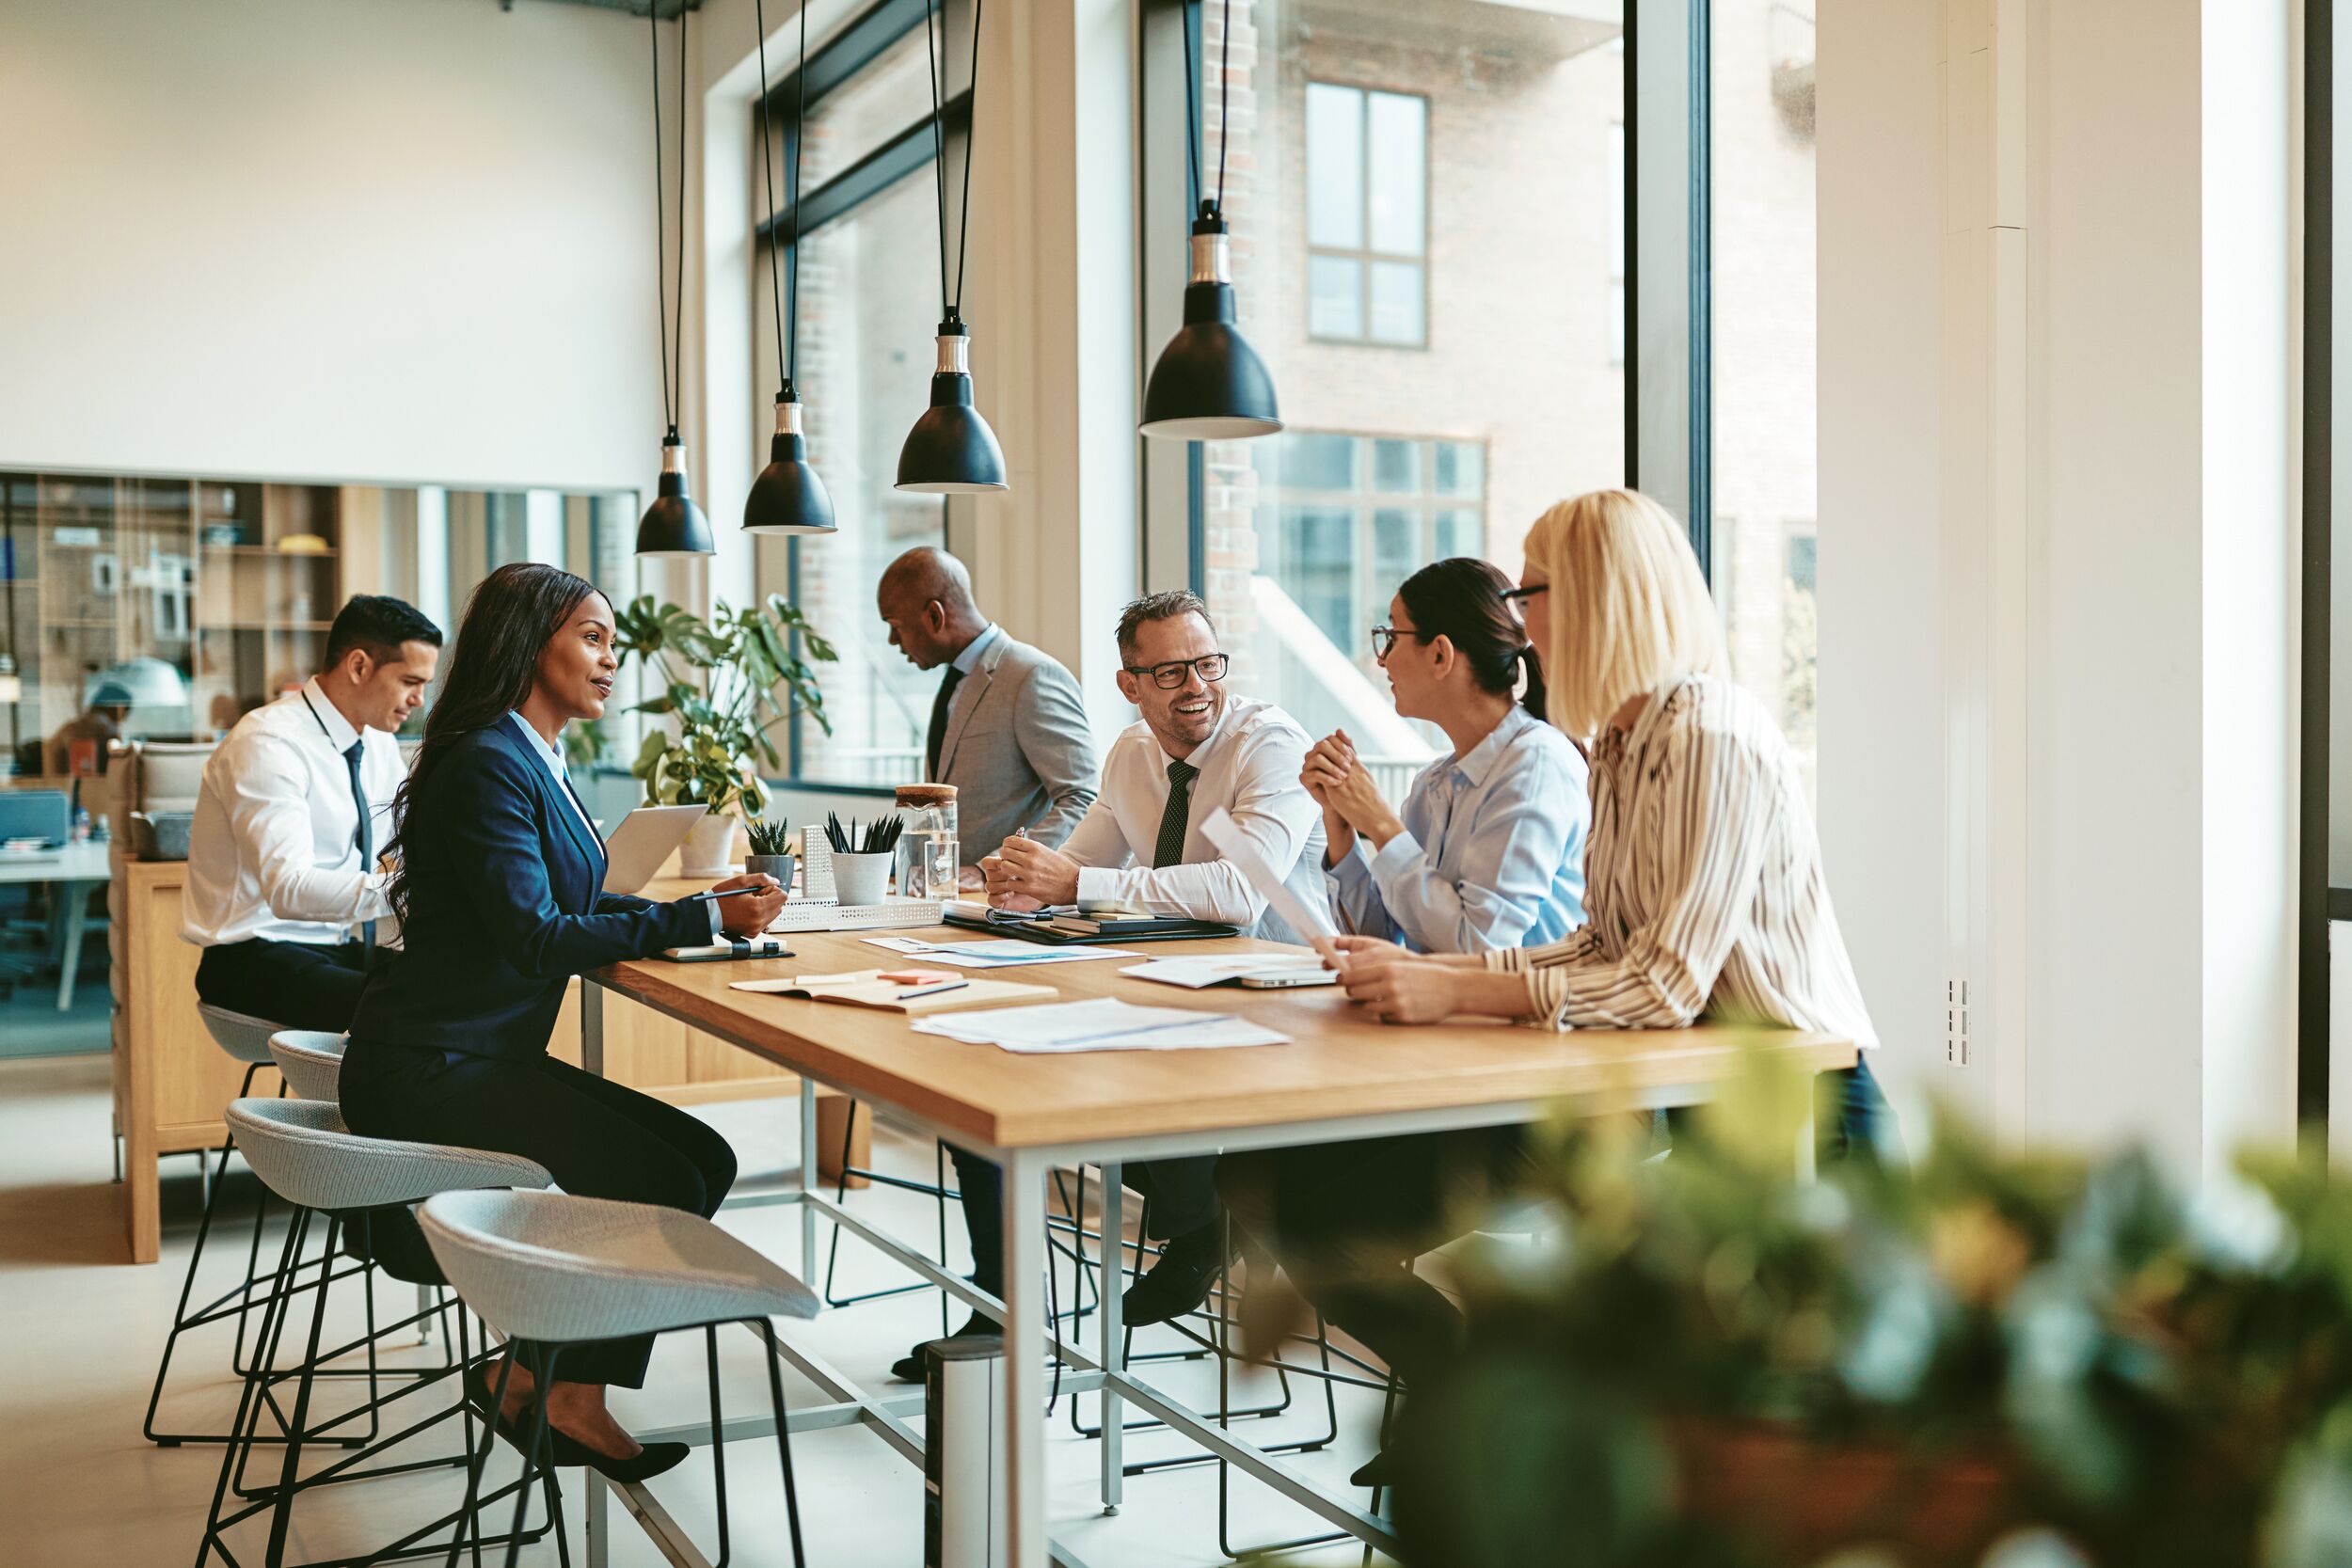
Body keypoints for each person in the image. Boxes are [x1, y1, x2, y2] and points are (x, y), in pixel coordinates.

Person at [1222, 490, 1897, 1483]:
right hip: (1699, 1093)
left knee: (1802, 1449)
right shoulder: (1624, 743)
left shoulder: (1705, 734)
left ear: (1595, 596)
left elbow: (1661, 981)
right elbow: (1595, 943)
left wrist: (1452, 987)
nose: (1520, 621)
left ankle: (1471, 1428)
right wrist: (1436, 973)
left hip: (1799, 1112)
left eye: (1532, 589)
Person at [339, 563, 785, 1483]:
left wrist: (699, 904)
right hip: (430, 1065)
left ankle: (529, 1370)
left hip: (476, 1050)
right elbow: (537, 933)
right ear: (527, 641)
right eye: (591, 634)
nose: (610, 657)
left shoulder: (530, 752)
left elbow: (563, 902)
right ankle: (567, 1390)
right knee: (663, 1173)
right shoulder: (487, 761)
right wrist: (702, 920)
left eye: (612, 640)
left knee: (704, 1159)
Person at [881, 592, 1327, 1382]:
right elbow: (1077, 865)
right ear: (1130, 684)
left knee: (1112, 1061)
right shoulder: (1131, 753)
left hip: (1282, 993)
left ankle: (1201, 1225)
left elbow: (1238, 894)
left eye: (1207, 663)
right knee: (997, 1061)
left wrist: (1075, 880)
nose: (1196, 685)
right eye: (1170, 671)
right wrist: (1021, 883)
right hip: (1177, 980)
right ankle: (1052, 1284)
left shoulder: (1269, 745)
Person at [1304, 557, 1588, 956]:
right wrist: (1340, 821)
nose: (1383, 658)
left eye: (1392, 636)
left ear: (1440, 654)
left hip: (1524, 1016)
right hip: (1445, 1014)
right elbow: (1380, 941)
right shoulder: (1433, 783)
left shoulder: (1535, 765)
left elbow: (1481, 950)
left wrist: (1380, 822)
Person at [183, 594, 442, 1029]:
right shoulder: (268, 743)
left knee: (460, 989)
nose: (419, 699)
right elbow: (289, 889)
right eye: (410, 682)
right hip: (251, 955)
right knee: (410, 1012)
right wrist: (412, 889)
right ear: (359, 667)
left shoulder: (377, 742)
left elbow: (410, 837)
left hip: (335, 947)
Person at [877, 546, 1098, 865]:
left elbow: (1083, 798)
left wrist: (994, 868)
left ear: (934, 616)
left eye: (895, 625)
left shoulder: (1032, 676)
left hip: (1002, 903)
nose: (892, 641)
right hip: (949, 900)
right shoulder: (953, 680)